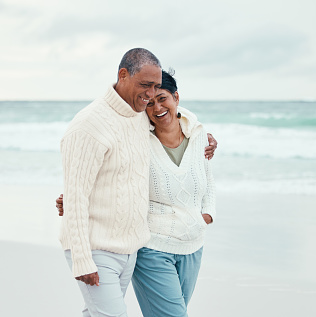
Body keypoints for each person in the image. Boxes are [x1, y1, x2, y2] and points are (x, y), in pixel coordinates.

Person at [57, 69, 217, 317]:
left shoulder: (198, 135)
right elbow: (110, 172)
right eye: (149, 102)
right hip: (152, 245)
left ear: (176, 97)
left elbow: (208, 181)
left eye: (162, 98)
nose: (157, 107)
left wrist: (207, 215)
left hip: (192, 245)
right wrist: (73, 197)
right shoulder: (137, 137)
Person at [59, 48, 162, 317]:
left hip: (130, 250)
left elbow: (175, 117)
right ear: (123, 75)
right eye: (145, 85)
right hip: (96, 249)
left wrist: (202, 136)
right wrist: (82, 260)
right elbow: (75, 196)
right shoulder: (88, 125)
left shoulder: (140, 115)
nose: (151, 95)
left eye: (156, 87)